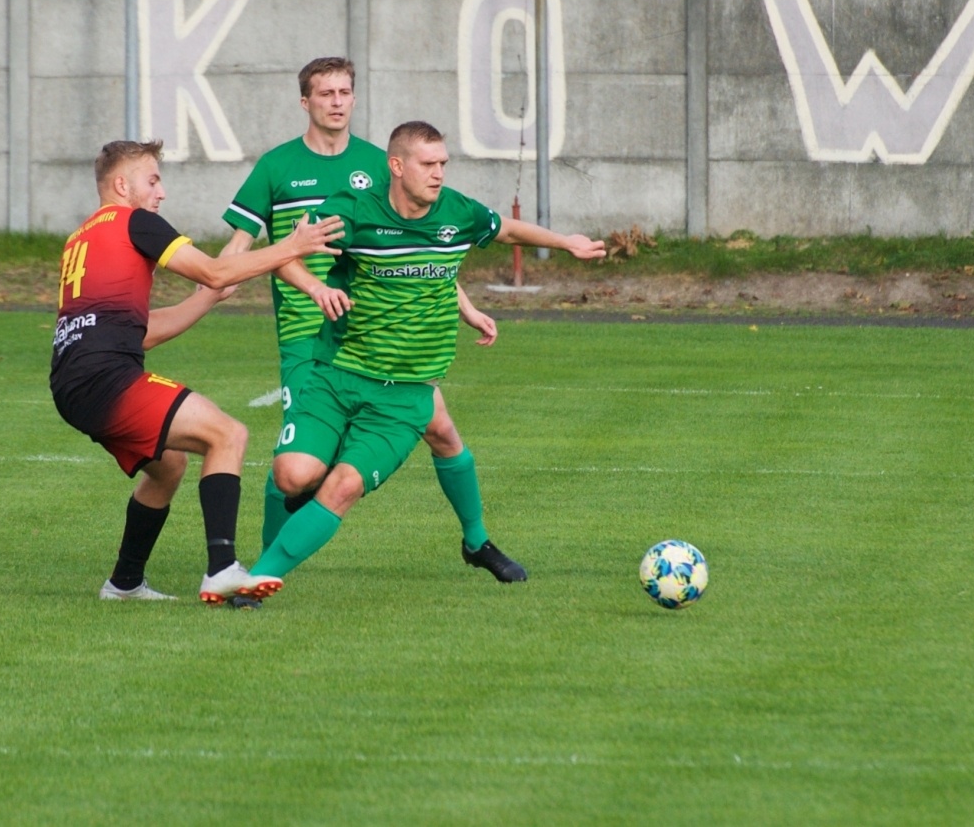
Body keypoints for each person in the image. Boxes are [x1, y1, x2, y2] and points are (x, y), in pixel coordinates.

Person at [236, 121, 606, 598]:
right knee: (292, 476)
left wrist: (564, 242)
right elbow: (283, 254)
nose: (438, 174)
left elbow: (505, 228)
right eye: (428, 164)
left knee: (344, 486)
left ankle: (253, 581)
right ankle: (285, 530)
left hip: (406, 392)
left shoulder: (457, 214)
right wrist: (317, 287)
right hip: (338, 374)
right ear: (396, 166)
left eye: (443, 164)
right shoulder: (354, 214)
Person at [221, 57, 527, 581]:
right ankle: (265, 563)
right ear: (306, 102)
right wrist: (215, 282)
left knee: (444, 434)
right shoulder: (277, 166)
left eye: (345, 91)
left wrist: (467, 306)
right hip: (310, 336)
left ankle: (476, 541)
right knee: (294, 470)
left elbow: (421, 253)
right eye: (326, 93)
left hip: (385, 339)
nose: (337, 101)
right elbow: (241, 249)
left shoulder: (385, 162)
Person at [50, 139, 343, 604]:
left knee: (168, 467)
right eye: (153, 180)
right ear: (122, 185)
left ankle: (124, 583)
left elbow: (139, 332)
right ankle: (222, 569)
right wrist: (292, 246)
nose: (160, 192)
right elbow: (212, 270)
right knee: (227, 435)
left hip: (73, 381)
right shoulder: (135, 222)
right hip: (105, 379)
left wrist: (208, 297)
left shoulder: (82, 238)